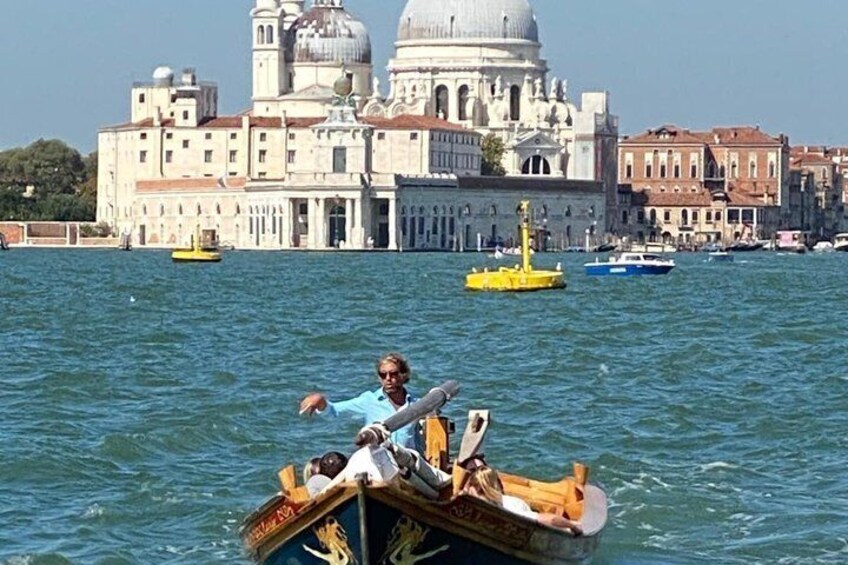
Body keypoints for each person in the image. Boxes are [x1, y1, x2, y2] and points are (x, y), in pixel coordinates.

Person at [299, 352, 422, 452]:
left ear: (404, 375)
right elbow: (334, 411)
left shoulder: (417, 405)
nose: (388, 379)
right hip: (379, 464)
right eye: (383, 375)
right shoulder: (369, 400)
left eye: (393, 374)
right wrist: (320, 401)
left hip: (409, 466)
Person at [462, 462, 582, 535]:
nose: (466, 491)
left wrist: (572, 526)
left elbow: (550, 519)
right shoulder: (472, 498)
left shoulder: (507, 508)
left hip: (522, 509)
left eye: (468, 488)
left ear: (476, 487)